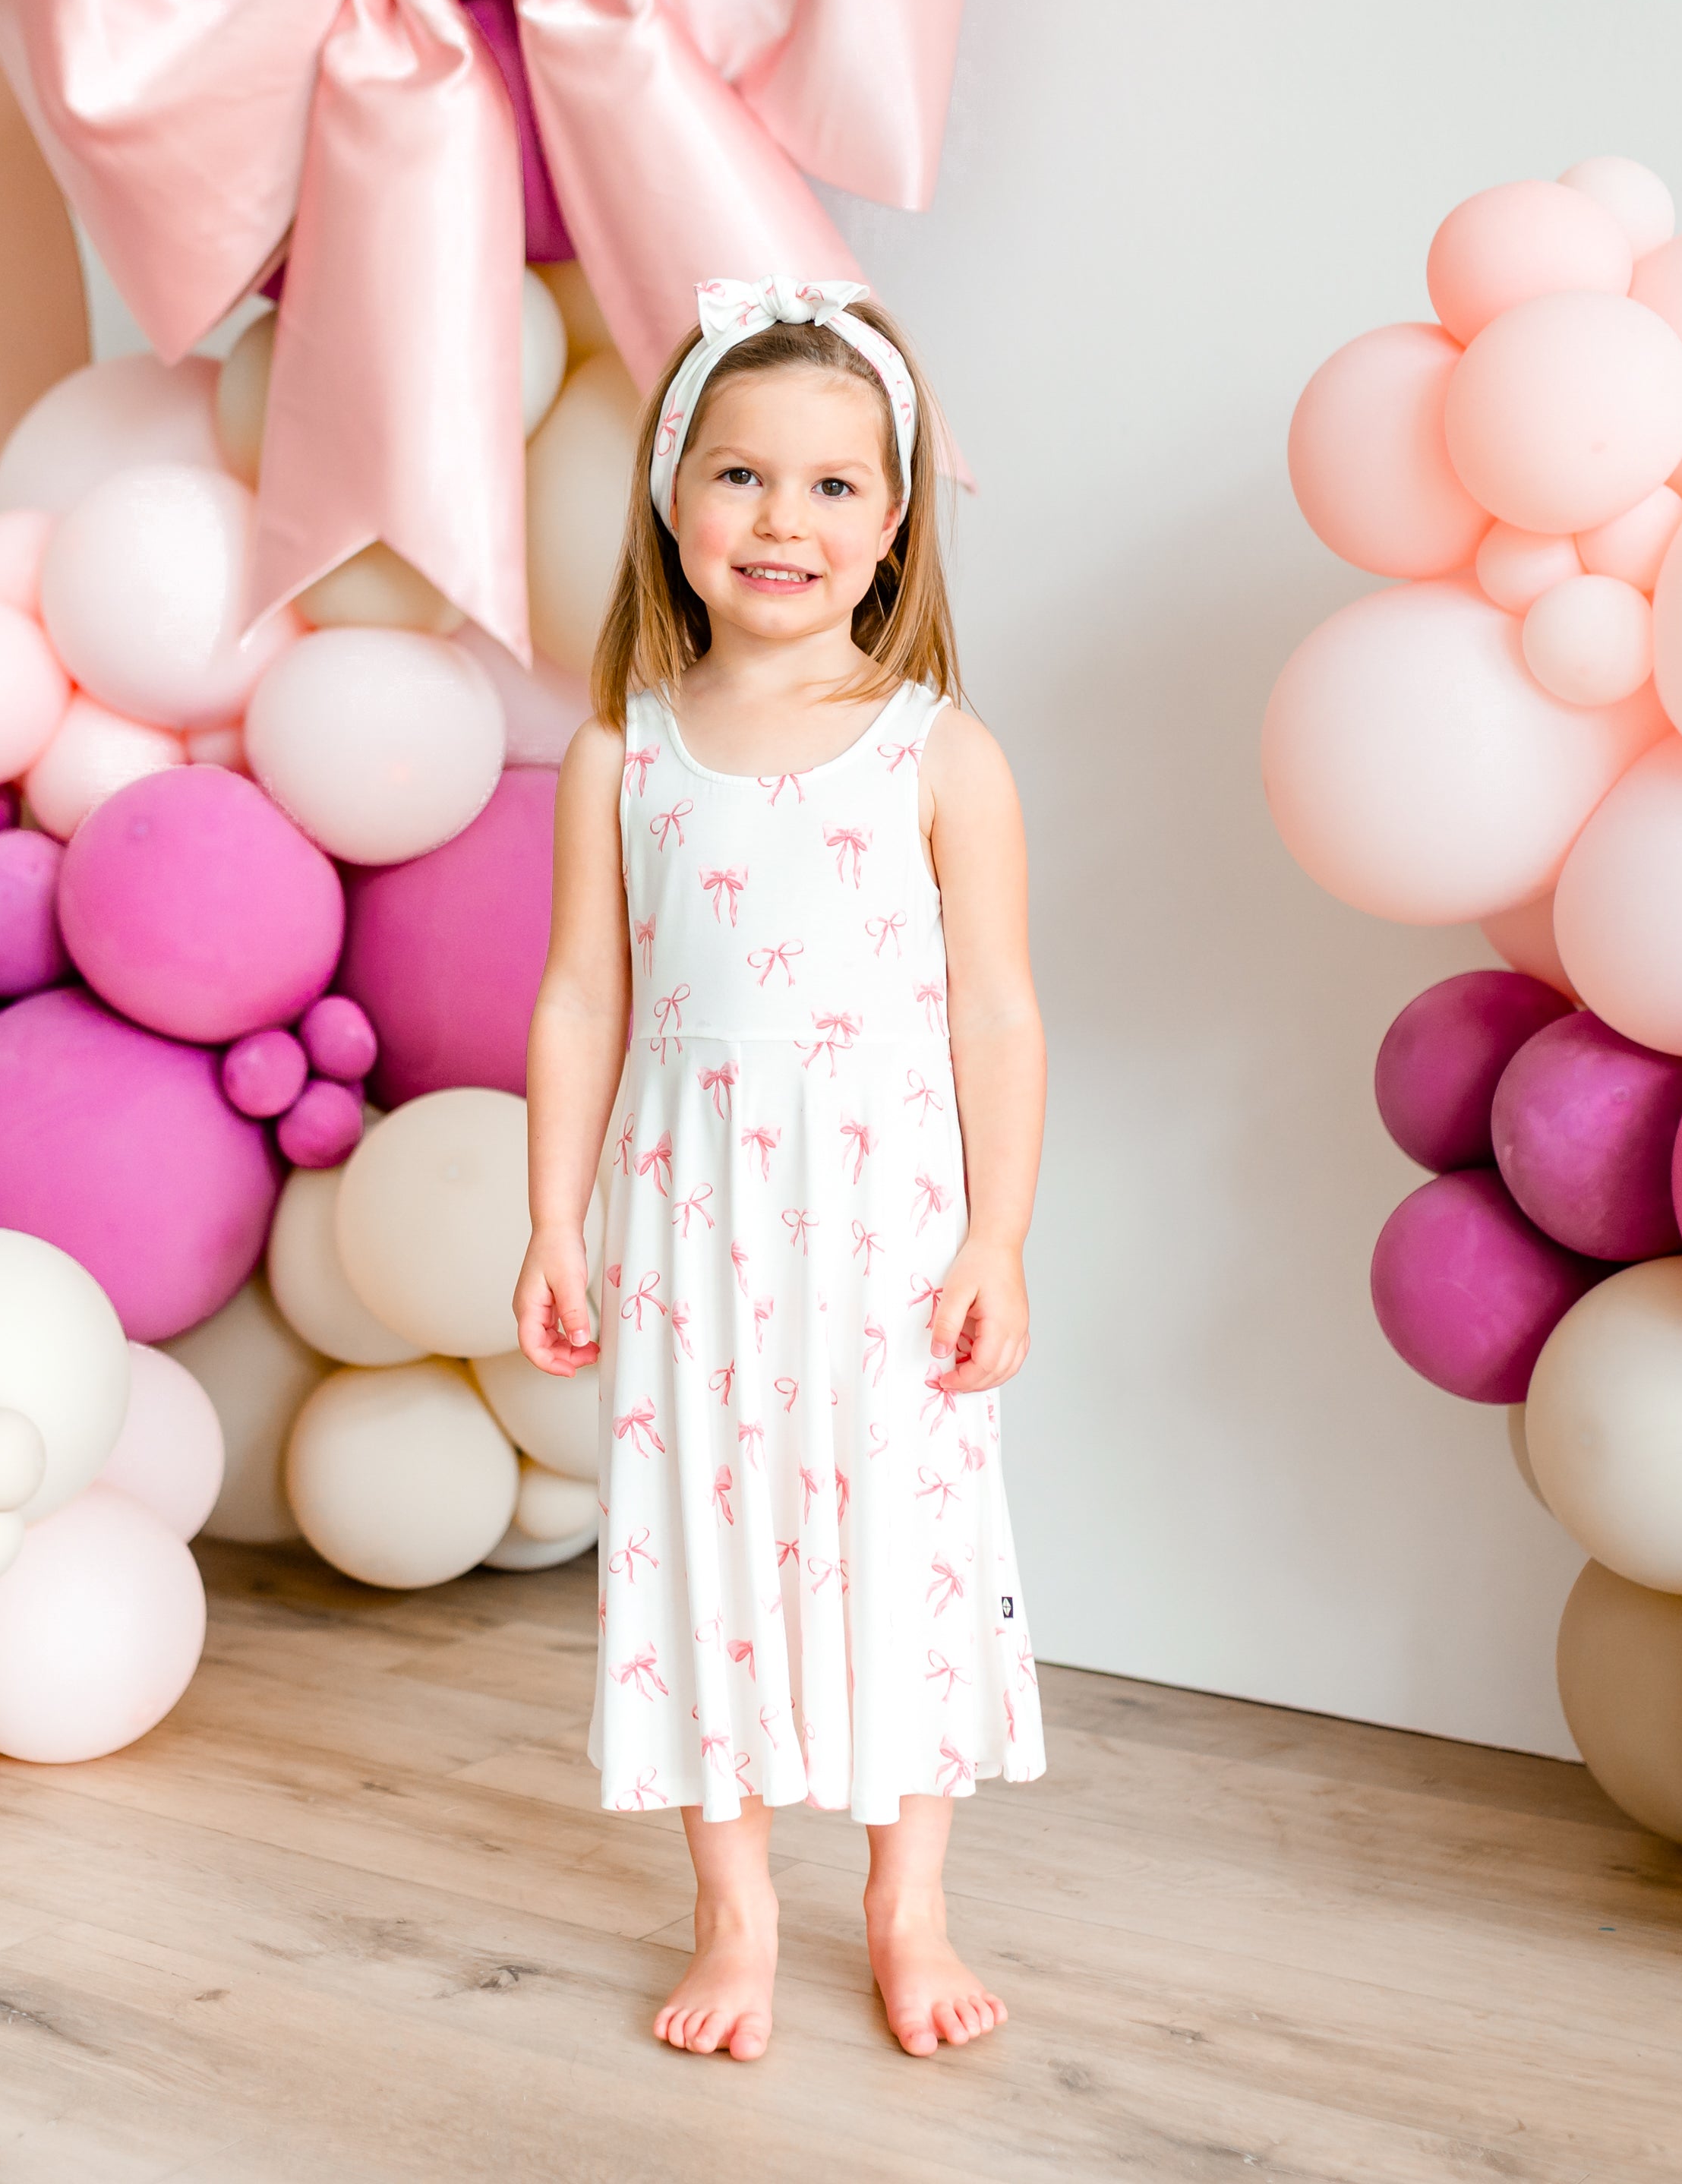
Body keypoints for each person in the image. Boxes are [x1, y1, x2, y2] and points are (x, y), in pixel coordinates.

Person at [514, 276, 1046, 2062]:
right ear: (673, 499)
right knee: (700, 1542)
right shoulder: (625, 753)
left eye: (833, 487)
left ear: (891, 524)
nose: (783, 520)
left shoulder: (937, 752)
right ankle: (734, 1914)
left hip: (886, 1225)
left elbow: (1000, 1018)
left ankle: (909, 1902)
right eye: (741, 475)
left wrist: (1003, 1239)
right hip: (692, 1224)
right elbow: (586, 995)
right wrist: (553, 1220)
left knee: (900, 1530)